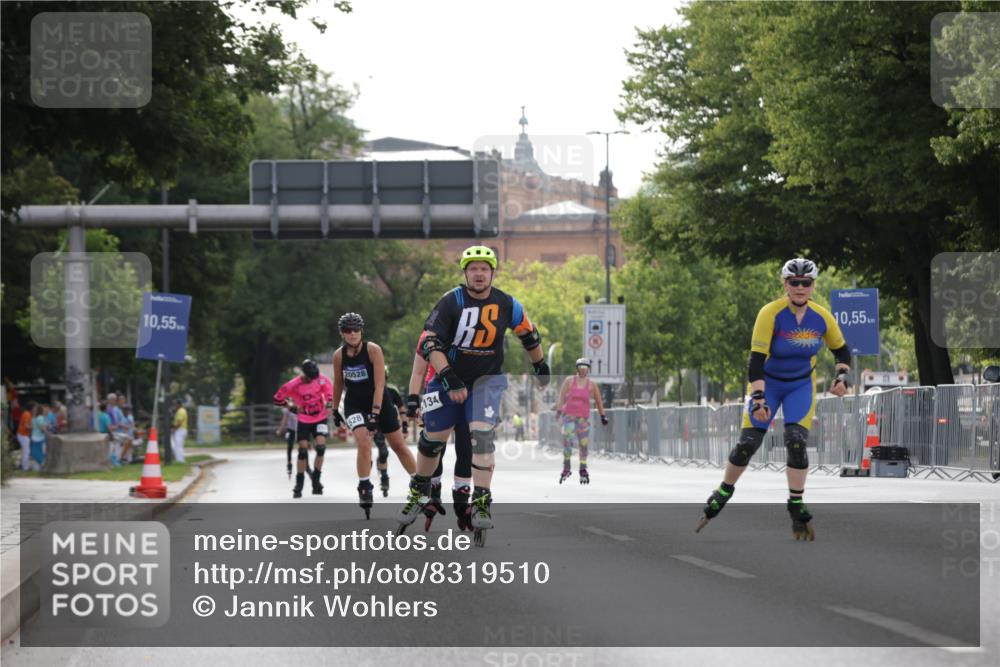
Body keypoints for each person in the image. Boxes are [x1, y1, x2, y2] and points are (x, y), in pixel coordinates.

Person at [397, 245, 550, 538]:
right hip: (446, 380)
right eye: (473, 269)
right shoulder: (451, 301)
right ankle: (418, 492)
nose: (479, 274)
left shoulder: (508, 303)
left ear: (492, 272)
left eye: (484, 269)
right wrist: (448, 378)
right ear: (465, 273)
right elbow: (429, 344)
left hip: (486, 381)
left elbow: (529, 335)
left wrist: (540, 364)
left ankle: (481, 501)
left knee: (481, 437)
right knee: (432, 443)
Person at [696, 258, 851, 540]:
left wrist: (842, 378)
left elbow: (841, 351)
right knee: (747, 444)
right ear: (785, 285)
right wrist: (757, 398)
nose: (800, 288)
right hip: (767, 383)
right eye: (794, 282)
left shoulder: (822, 317)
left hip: (800, 386)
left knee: (795, 441)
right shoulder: (770, 313)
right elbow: (755, 362)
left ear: (813, 285)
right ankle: (724, 490)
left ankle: (795, 503)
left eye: (806, 283)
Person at [331, 313, 416, 517]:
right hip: (354, 403)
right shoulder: (338, 355)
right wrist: (335, 409)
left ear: (361, 331)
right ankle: (364, 486)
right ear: (342, 334)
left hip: (380, 401)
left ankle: (418, 480)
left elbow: (380, 384)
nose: (352, 334)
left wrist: (375, 413)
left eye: (356, 330)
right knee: (363, 442)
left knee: (397, 445)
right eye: (348, 331)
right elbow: (338, 383)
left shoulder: (373, 350)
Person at [407, 331, 475, 530]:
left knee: (466, 446)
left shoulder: (472, 330)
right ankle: (432, 494)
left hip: (465, 391)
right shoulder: (428, 336)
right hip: (435, 391)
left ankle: (462, 502)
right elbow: (418, 372)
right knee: (435, 447)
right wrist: (412, 400)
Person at [273, 359, 334, 498]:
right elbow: (277, 399)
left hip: (320, 417)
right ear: (304, 374)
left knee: (321, 448)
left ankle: (316, 480)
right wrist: (291, 407)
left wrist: (329, 407)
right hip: (304, 419)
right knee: (302, 450)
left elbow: (330, 396)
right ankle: (299, 484)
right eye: (310, 378)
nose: (313, 380)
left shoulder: (321, 380)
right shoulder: (293, 385)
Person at [554, 358, 609, 484]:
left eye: (585, 366)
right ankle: (566, 467)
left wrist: (603, 416)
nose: (583, 368)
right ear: (577, 368)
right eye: (581, 366)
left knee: (583, 443)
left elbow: (599, 401)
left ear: (588, 368)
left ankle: (583, 468)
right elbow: (562, 397)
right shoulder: (569, 381)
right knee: (568, 441)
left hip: (583, 419)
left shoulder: (592, 384)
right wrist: (558, 411)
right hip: (569, 417)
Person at [276, 405, 299, 478]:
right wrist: (280, 430)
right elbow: (284, 420)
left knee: (303, 448)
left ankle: (307, 467)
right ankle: (289, 464)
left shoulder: (300, 407)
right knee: (290, 446)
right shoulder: (288, 410)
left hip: (299, 430)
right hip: (290, 430)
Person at [17, 401, 34, 471]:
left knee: (25, 451)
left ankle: (23, 466)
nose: (35, 409)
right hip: (23, 434)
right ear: (32, 408)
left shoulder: (26, 413)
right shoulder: (27, 414)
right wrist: (33, 427)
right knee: (26, 451)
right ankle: (25, 467)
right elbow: (26, 426)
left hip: (22, 434)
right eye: (35, 408)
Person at [170, 399, 188, 464]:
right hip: (182, 429)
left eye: (175, 404)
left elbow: (179, 422)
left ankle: (180, 460)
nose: (174, 406)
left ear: (178, 404)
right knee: (179, 446)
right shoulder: (183, 410)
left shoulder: (180, 411)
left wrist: (174, 429)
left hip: (180, 430)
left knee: (178, 446)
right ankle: (180, 459)